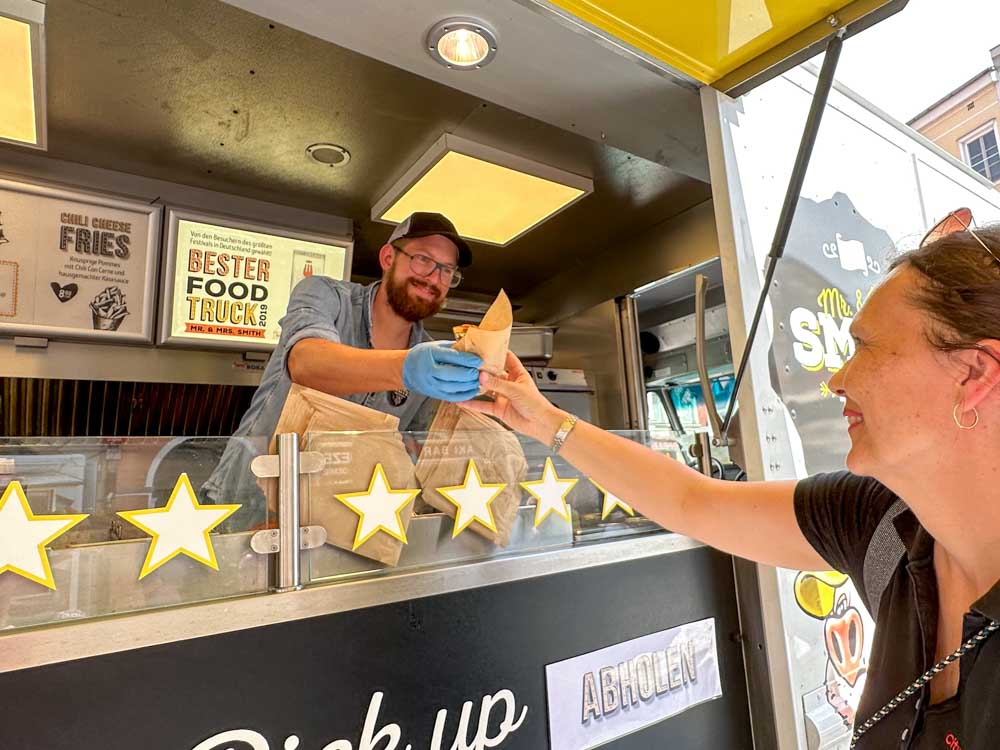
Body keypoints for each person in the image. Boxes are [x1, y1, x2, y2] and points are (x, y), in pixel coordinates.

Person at [462, 222, 1000, 750]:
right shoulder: (881, 523)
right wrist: (543, 421)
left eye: (864, 347)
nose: (838, 379)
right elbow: (691, 500)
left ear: (973, 374)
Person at [203, 211, 483, 507]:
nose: (434, 278)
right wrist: (405, 368)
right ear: (389, 258)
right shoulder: (325, 295)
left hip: (333, 520)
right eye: (423, 259)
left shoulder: (433, 357)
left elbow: (414, 448)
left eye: (447, 271)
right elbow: (307, 364)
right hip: (244, 503)